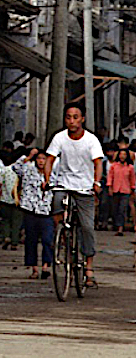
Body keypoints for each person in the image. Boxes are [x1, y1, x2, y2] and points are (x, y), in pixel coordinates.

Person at [44, 102, 104, 289]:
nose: (72, 121)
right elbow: (49, 159)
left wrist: (96, 182)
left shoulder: (91, 140)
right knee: (55, 202)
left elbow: (98, 163)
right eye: (68, 117)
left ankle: (89, 268)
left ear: (82, 119)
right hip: (64, 184)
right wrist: (46, 179)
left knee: (87, 227)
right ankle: (63, 234)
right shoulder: (59, 138)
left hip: (85, 188)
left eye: (75, 117)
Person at [13, 148, 53, 279]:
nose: (41, 161)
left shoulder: (53, 173)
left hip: (46, 210)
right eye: (39, 158)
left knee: (48, 239)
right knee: (31, 240)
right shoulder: (29, 170)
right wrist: (29, 156)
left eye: (44, 159)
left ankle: (46, 265)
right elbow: (15, 167)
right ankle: (34, 268)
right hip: (30, 209)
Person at [0, 150, 23, 251]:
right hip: (18, 200)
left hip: (5, 199)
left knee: (5, 220)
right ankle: (14, 242)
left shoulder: (5, 170)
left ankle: (6, 237)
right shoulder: (22, 171)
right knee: (17, 222)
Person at [107, 148, 135, 236]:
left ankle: (120, 228)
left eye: (124, 155)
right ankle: (116, 225)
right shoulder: (114, 166)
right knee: (115, 209)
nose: (122, 156)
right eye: (121, 154)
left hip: (125, 191)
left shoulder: (130, 167)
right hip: (116, 190)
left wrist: (132, 188)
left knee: (122, 209)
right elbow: (110, 177)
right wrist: (110, 187)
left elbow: (132, 179)